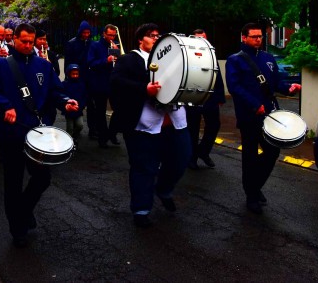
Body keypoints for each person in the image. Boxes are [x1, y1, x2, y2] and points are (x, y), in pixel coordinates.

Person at [0, 23, 79, 248]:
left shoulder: (43, 66)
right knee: (13, 181)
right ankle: (17, 229)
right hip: (12, 133)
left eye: (30, 41)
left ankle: (23, 211)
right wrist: (5, 105)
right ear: (14, 38)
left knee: (43, 178)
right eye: (23, 41)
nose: (27, 45)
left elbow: (56, 91)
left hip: (38, 133)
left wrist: (66, 102)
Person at [110, 23, 192, 228]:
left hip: (174, 122)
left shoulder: (172, 60)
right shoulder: (129, 60)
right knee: (144, 167)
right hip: (144, 125)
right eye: (151, 36)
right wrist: (143, 89)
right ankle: (141, 209)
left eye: (158, 36)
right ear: (140, 40)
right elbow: (116, 84)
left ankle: (163, 189)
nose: (156, 39)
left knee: (181, 160)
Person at [225, 23, 302, 214]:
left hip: (270, 114)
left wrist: (289, 88)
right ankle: (251, 195)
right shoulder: (235, 60)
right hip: (249, 116)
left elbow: (276, 83)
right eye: (253, 37)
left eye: (260, 36)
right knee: (249, 155)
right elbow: (235, 87)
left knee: (272, 152)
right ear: (244, 37)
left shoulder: (268, 58)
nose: (258, 39)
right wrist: (253, 104)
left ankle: (253, 186)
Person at [186, 29, 226, 169]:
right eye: (197, 38)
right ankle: (191, 158)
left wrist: (220, 96)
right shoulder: (187, 54)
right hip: (192, 95)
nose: (201, 41)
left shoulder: (211, 53)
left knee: (214, 126)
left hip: (210, 97)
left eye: (203, 38)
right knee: (192, 128)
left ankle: (203, 152)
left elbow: (218, 75)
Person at [87, 24, 120, 147]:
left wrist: (119, 55)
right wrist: (106, 60)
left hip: (114, 82)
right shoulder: (95, 45)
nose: (112, 37)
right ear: (104, 34)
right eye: (110, 35)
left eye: (114, 35)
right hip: (99, 82)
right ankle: (102, 138)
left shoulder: (115, 45)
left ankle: (112, 133)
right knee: (100, 112)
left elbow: (121, 64)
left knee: (119, 109)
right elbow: (91, 63)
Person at [64, 21, 95, 138]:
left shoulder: (92, 43)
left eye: (88, 32)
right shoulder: (72, 43)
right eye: (84, 32)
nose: (86, 35)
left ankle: (92, 129)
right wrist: (69, 75)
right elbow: (68, 61)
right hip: (77, 75)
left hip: (89, 76)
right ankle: (73, 128)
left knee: (91, 104)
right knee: (76, 101)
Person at [61, 64, 88, 148]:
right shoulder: (65, 84)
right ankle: (68, 143)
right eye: (73, 74)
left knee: (80, 125)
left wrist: (82, 106)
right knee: (70, 128)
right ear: (69, 74)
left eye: (77, 74)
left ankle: (74, 137)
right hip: (68, 110)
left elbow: (85, 96)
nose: (75, 76)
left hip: (78, 109)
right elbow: (62, 96)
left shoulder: (81, 84)